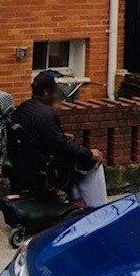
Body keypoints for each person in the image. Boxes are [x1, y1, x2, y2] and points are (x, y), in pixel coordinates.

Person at [9, 70, 103, 200]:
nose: (59, 95)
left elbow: (42, 136)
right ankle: (86, 201)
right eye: (57, 91)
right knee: (89, 159)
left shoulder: (24, 108)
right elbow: (60, 146)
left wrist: (59, 136)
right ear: (46, 93)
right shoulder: (45, 114)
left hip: (27, 163)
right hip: (43, 167)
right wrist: (89, 154)